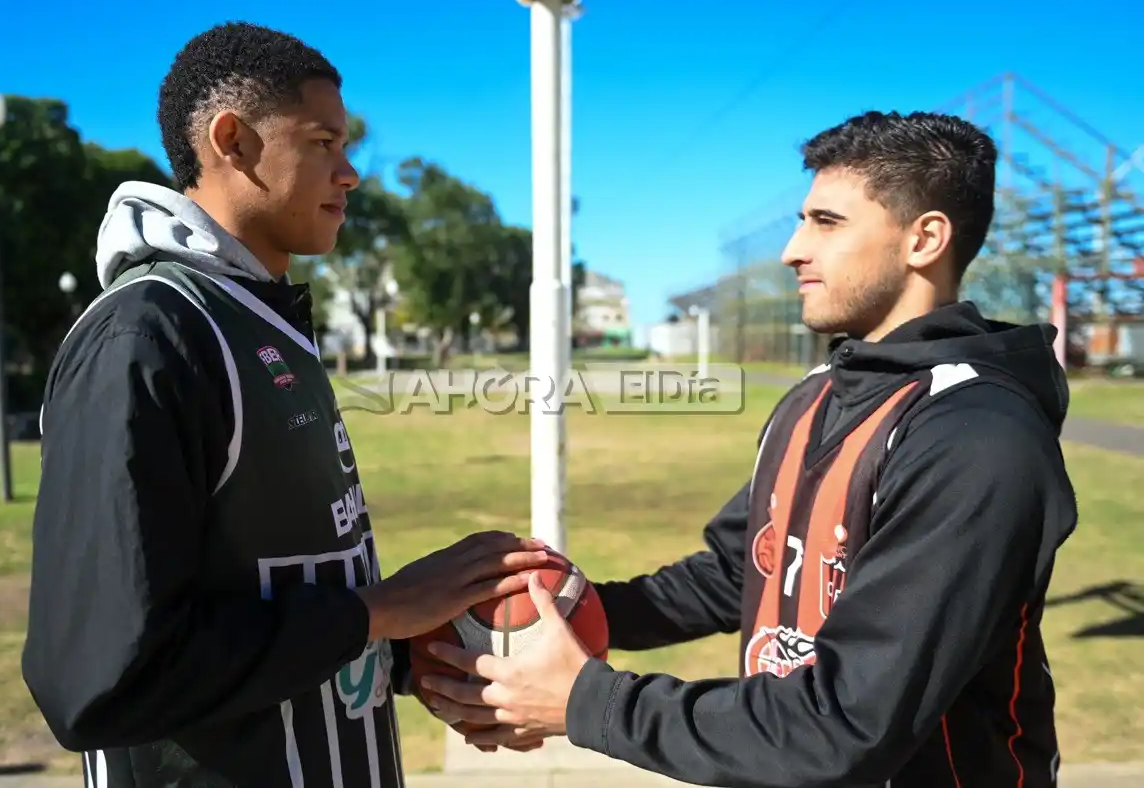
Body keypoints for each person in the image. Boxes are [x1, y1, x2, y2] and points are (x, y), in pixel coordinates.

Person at [420, 111, 1079, 787]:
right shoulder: (817, 395)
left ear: (925, 239)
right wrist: (558, 612)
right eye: (801, 221)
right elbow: (743, 570)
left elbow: (846, 724)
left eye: (827, 222)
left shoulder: (977, 436)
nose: (793, 249)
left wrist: (587, 702)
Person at [21, 21, 550, 788]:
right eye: (323, 143)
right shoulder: (145, 336)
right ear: (232, 141)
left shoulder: (260, 319)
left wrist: (412, 653)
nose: (350, 174)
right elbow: (102, 677)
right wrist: (375, 613)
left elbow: (272, 587)